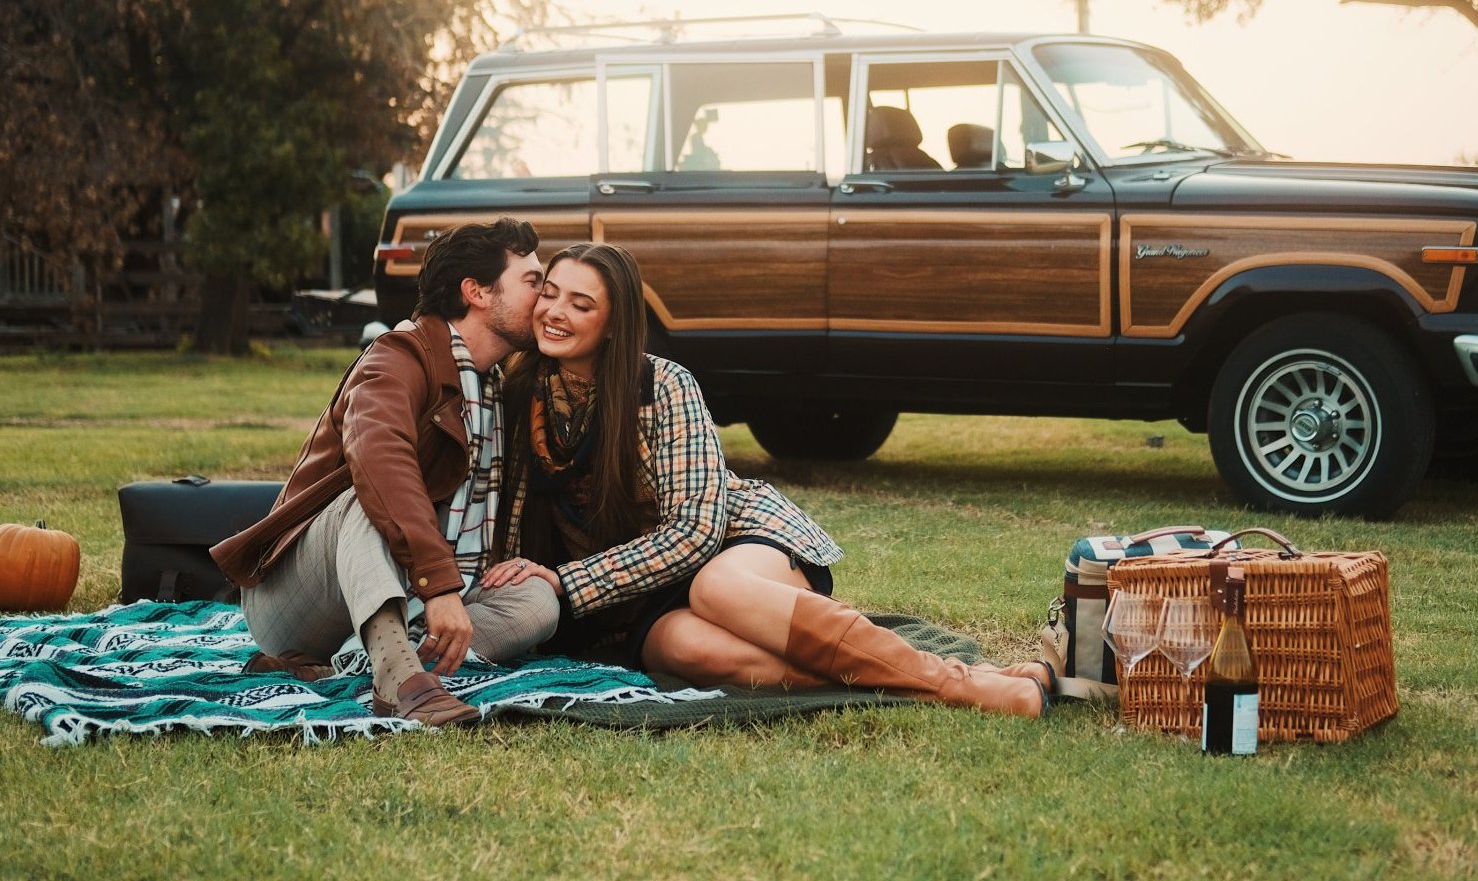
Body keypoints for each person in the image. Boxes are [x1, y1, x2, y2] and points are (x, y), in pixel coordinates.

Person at [487, 241, 1050, 717]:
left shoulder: (662, 384)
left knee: (717, 588)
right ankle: (927, 679)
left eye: (581, 304)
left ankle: (960, 687)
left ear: (614, 323)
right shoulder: (518, 392)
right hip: (637, 594)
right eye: (550, 293)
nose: (555, 312)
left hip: (734, 542)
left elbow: (696, 531)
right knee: (683, 648)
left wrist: (570, 582)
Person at [212, 218, 562, 727]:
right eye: (533, 283)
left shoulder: (495, 387)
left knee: (537, 603)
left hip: (414, 584)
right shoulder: (399, 357)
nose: (546, 300)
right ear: (478, 292)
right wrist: (440, 587)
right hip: (296, 598)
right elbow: (380, 455)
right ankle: (400, 683)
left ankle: (369, 656)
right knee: (365, 493)